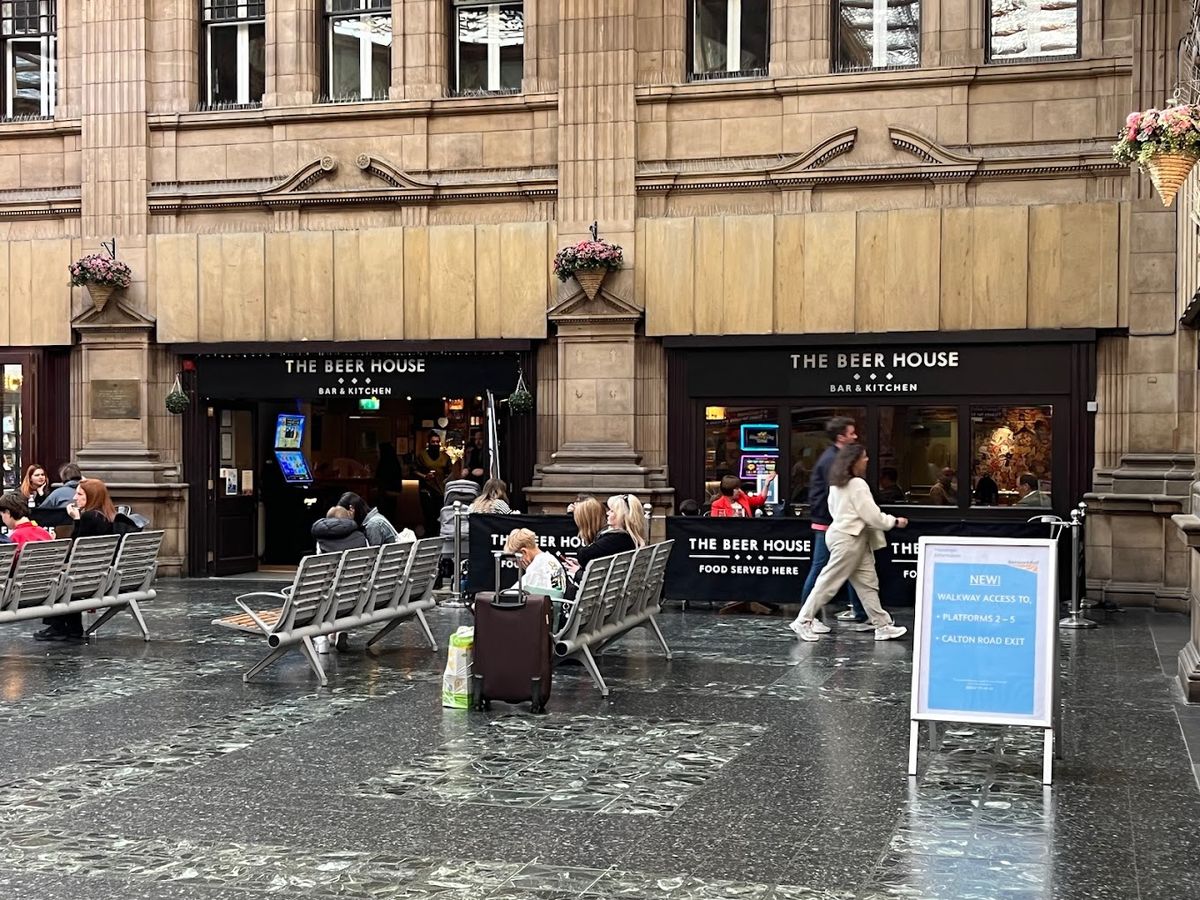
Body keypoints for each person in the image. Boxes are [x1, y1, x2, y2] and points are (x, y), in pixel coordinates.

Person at [789, 444, 909, 642]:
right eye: (864, 457)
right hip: (850, 538)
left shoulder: (836, 483)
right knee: (829, 581)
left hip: (847, 536)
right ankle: (803, 620)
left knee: (867, 583)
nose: (867, 460)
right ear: (854, 461)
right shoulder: (858, 485)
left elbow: (835, 510)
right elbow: (871, 515)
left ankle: (882, 625)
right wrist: (894, 521)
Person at [801, 417, 867, 626]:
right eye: (851, 433)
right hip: (830, 523)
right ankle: (808, 618)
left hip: (832, 522)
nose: (855, 436)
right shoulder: (833, 461)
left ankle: (860, 611)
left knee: (852, 567)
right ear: (841, 437)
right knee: (821, 569)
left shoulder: (833, 457)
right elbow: (839, 495)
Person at [36, 478, 116, 642]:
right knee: (68, 576)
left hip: (84, 578)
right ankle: (71, 628)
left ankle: (59, 627)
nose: (74, 498)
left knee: (58, 577)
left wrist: (77, 519)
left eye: (79, 494)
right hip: (99, 575)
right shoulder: (107, 516)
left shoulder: (89, 517)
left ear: (91, 497)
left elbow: (76, 548)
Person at [504, 527, 567, 598]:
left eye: (516, 561)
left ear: (524, 552)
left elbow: (510, 596)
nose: (517, 565)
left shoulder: (537, 568)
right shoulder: (550, 560)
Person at [338, 491, 403, 545]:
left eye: (343, 513)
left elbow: (373, 554)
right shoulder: (376, 517)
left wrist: (351, 523)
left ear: (351, 509)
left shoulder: (372, 525)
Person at [710, 473, 777, 518]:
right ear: (730, 490)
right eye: (736, 488)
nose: (739, 490)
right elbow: (716, 525)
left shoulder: (742, 497)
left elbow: (759, 500)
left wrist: (766, 484)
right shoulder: (717, 504)